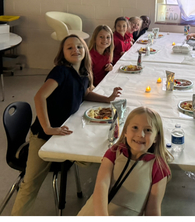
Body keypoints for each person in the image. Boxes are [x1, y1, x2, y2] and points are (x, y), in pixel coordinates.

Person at [11, 34, 122, 215]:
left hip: (65, 129)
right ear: (62, 53)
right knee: (31, 183)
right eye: (69, 47)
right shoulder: (60, 72)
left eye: (79, 46)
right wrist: (47, 128)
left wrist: (107, 99)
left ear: (85, 50)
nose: (75, 50)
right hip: (44, 135)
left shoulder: (84, 73)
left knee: (91, 158)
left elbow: (85, 94)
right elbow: (40, 96)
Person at [78, 107, 171, 216]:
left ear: (156, 137)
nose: (140, 135)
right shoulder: (115, 152)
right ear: (125, 131)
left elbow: (153, 211)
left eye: (148, 130)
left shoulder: (159, 167)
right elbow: (101, 184)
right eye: (135, 127)